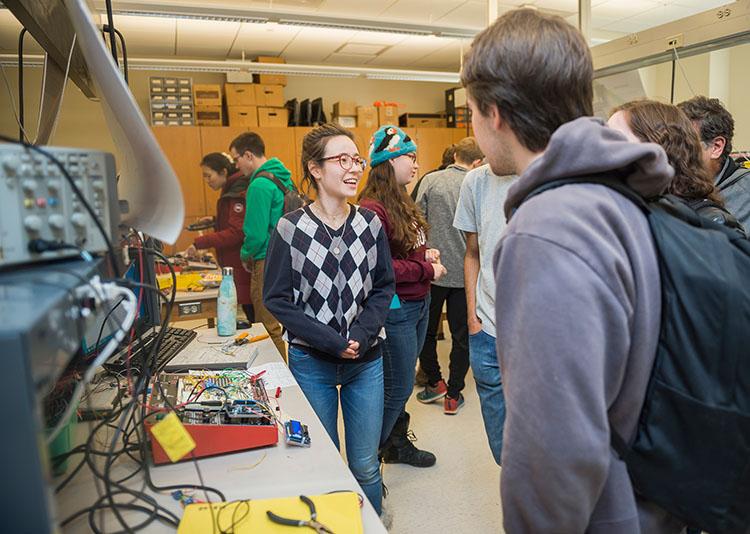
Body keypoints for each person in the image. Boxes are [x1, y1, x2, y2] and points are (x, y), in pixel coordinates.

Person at [462, 8, 685, 532]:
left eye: (470, 110)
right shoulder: (616, 193)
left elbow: (554, 448)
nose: (472, 128)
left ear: (495, 113)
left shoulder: (548, 228)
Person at [263, 123, 395, 516]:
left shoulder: (370, 225)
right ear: (315, 169)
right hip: (311, 363)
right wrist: (329, 339)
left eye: (357, 159)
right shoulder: (291, 228)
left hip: (366, 362)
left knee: (365, 464)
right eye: (342, 160)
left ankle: (368, 522)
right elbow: (277, 299)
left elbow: (383, 286)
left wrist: (361, 332)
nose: (354, 168)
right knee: (323, 461)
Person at [358, 125, 447, 468]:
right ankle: (369, 455)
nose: (415, 164)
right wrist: (426, 271)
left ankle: (394, 444)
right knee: (398, 386)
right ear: (387, 161)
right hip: (397, 308)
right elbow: (382, 269)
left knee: (401, 383)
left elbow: (404, 252)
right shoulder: (372, 209)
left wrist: (425, 256)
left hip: (418, 302)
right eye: (409, 157)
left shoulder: (400, 200)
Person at [414, 137, 483, 414]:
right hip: (466, 276)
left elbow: (416, 223)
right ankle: (453, 394)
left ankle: (435, 381)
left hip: (433, 272)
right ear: (477, 162)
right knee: (462, 336)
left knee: (426, 333)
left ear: (454, 154)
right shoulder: (478, 183)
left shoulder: (431, 180)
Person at [452, 162, 515, 463]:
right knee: (503, 453)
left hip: (536, 338)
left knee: (542, 455)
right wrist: (472, 320)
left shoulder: (551, 173)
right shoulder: (475, 182)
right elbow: (473, 253)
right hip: (487, 332)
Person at [609, 100, 745, 234]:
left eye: (619, 142)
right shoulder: (629, 209)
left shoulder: (712, 223)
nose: (605, 151)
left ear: (660, 150)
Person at [229, 132, 292, 359]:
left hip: (266, 259)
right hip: (289, 258)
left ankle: (278, 378)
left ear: (248, 155)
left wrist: (246, 255)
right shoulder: (282, 178)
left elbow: (255, 234)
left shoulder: (258, 185)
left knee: (268, 325)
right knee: (286, 325)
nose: (237, 166)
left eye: (237, 159)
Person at [186, 152, 254, 322]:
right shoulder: (231, 189)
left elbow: (236, 232)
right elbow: (235, 221)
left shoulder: (238, 191)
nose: (207, 181)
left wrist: (200, 242)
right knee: (249, 313)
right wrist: (215, 221)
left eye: (209, 176)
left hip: (242, 262)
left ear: (223, 172)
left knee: (254, 316)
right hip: (234, 262)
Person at [678, 96, 750, 229]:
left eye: (684, 145)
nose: (673, 153)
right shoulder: (674, 184)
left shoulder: (745, 194)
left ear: (716, 147)